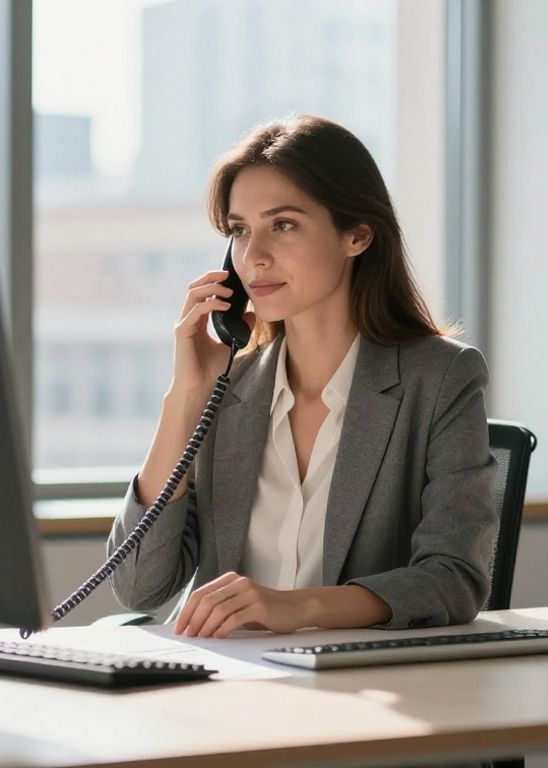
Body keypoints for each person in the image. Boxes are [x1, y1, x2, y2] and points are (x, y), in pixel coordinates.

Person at [108, 115, 496, 639]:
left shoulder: (441, 378)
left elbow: (452, 580)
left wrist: (298, 608)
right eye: (240, 231)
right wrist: (186, 395)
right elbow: (139, 587)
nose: (254, 257)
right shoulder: (229, 389)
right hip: (225, 686)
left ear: (357, 234)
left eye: (283, 225)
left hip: (359, 691)